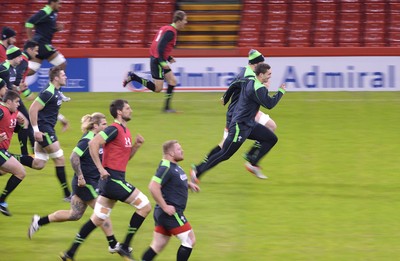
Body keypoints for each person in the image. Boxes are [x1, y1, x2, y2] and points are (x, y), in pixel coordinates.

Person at [60, 99, 152, 261]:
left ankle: (70, 252)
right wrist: (101, 168)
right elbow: (94, 143)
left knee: (98, 218)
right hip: (113, 180)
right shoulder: (113, 129)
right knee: (145, 206)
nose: (131, 110)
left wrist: (136, 146)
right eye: (128, 108)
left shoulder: (125, 131)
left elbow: (124, 159)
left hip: (113, 180)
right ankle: (124, 246)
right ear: (119, 112)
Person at [27, 112, 130, 253]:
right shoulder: (87, 140)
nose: (107, 127)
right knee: (102, 212)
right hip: (85, 183)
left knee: (74, 215)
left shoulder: (100, 139)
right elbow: (73, 156)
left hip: (91, 182)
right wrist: (81, 176)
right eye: (104, 124)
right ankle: (112, 244)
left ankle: (39, 221)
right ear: (95, 126)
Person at [190, 63, 286, 183]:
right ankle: (198, 171)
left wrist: (226, 97)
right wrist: (281, 91)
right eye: (269, 74)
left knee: (271, 138)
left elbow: (235, 84)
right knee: (224, 154)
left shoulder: (249, 80)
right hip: (240, 127)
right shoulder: (258, 88)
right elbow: (270, 104)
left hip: (249, 124)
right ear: (261, 75)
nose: (270, 76)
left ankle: (253, 163)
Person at [17, 66, 71, 201]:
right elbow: (33, 109)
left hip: (47, 128)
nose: (66, 77)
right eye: (63, 75)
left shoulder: (57, 90)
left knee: (38, 164)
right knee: (59, 158)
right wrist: (36, 130)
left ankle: (8, 158)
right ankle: (67, 195)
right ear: (56, 78)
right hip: (44, 130)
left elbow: (50, 109)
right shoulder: (48, 92)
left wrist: (62, 119)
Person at [142, 140, 199, 261]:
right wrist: (165, 206)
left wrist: (188, 184)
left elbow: (172, 180)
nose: (182, 150)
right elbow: (153, 186)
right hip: (171, 213)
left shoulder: (173, 166)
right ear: (171, 153)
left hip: (164, 214)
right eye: (179, 149)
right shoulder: (166, 167)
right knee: (189, 239)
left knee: (158, 245)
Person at [123, 10, 188, 113]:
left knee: (172, 81)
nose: (186, 22)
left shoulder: (166, 28)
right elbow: (159, 47)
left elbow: (158, 45)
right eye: (185, 20)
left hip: (158, 58)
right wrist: (162, 62)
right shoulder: (171, 32)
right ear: (179, 21)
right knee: (158, 89)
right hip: (158, 60)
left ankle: (166, 108)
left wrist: (168, 57)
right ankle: (134, 77)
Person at [25, 0, 70, 101]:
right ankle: (57, 91)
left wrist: (55, 29)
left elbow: (43, 28)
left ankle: (11, 75)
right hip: (42, 44)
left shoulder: (53, 13)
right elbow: (29, 23)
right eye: (59, 3)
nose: (60, 6)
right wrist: (30, 40)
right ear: (52, 3)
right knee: (62, 64)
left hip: (41, 44)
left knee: (31, 70)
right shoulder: (45, 12)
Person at [0, 90, 29, 216]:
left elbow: (13, 129)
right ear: (8, 101)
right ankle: (1, 201)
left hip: (3, 150)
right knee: (20, 172)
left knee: (4, 171)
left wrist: (21, 125)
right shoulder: (1, 111)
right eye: (17, 102)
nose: (18, 104)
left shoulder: (14, 113)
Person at [11, 40, 39, 155]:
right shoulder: (23, 62)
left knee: (24, 123)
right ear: (29, 49)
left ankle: (28, 151)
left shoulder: (22, 61)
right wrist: (26, 92)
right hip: (12, 97)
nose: (37, 54)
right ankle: (32, 150)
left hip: (13, 96)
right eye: (36, 50)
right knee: (26, 122)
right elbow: (17, 81)